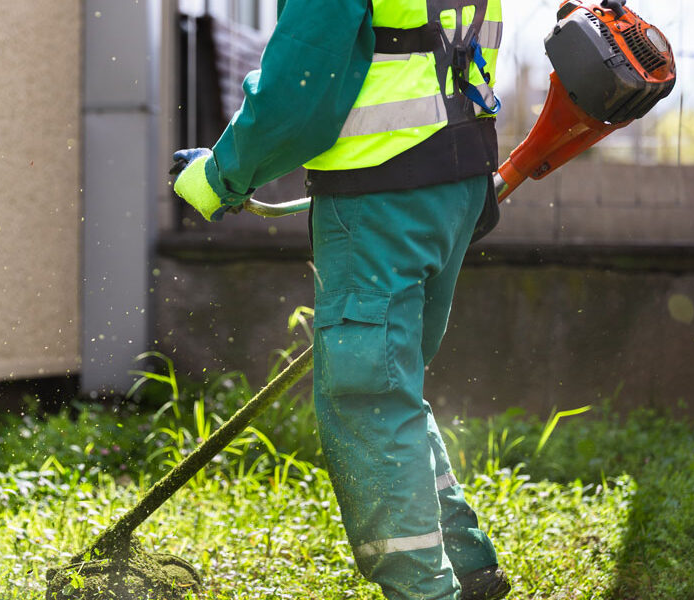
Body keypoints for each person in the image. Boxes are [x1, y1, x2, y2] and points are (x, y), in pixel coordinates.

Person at [170, 1, 511, 599]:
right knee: (391, 386)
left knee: (368, 401)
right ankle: (468, 565)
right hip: (455, 180)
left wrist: (219, 174)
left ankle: (428, 593)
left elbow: (301, 86)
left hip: (381, 194)